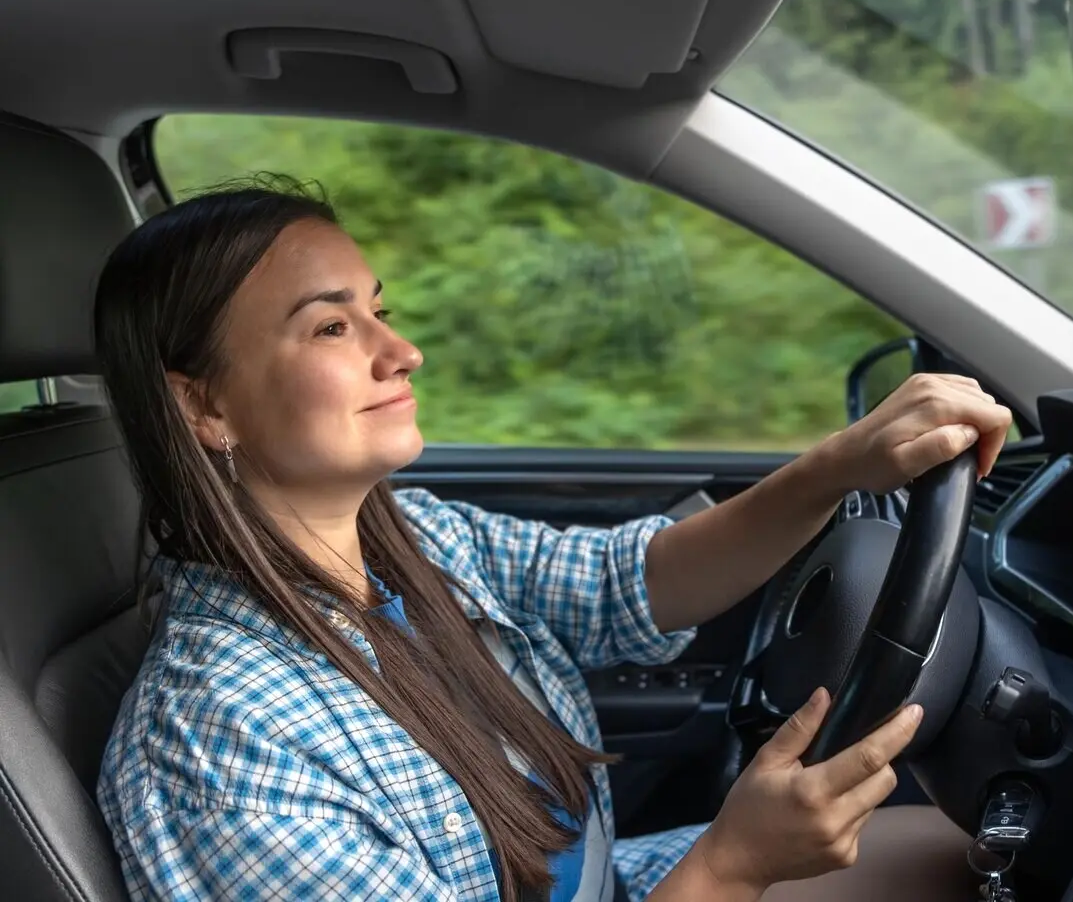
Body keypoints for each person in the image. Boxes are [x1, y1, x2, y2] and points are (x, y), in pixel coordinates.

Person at [93, 178, 1013, 902]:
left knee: (968, 853)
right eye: (333, 326)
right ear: (205, 405)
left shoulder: (412, 540)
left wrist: (838, 466)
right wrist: (736, 864)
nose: (400, 350)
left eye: (380, 308)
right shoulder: (222, 745)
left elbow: (630, 583)